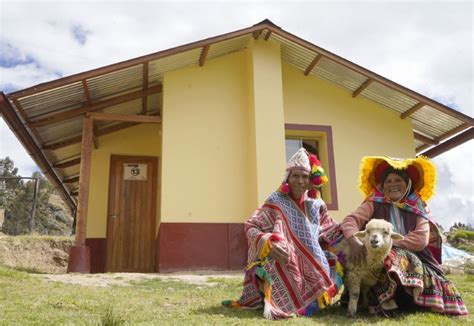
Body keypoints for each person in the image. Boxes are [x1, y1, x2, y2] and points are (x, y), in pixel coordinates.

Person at [222, 148, 342, 319]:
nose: (300, 181)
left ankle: (315, 301)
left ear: (310, 180)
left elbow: (330, 228)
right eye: (295, 176)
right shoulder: (275, 200)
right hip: (283, 258)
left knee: (336, 260)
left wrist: (350, 236)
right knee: (277, 261)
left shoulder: (316, 203)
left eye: (304, 176)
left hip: (314, 258)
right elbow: (252, 226)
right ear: (287, 177)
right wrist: (268, 244)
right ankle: (286, 303)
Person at [341, 156, 468, 315]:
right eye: (388, 181)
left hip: (417, 256)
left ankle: (410, 298)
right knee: (372, 258)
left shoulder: (418, 206)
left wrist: (388, 243)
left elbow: (421, 239)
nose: (393, 184)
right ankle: (385, 301)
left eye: (398, 180)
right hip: (377, 254)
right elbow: (350, 221)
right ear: (382, 185)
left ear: (407, 183)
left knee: (396, 256)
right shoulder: (374, 202)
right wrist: (354, 241)